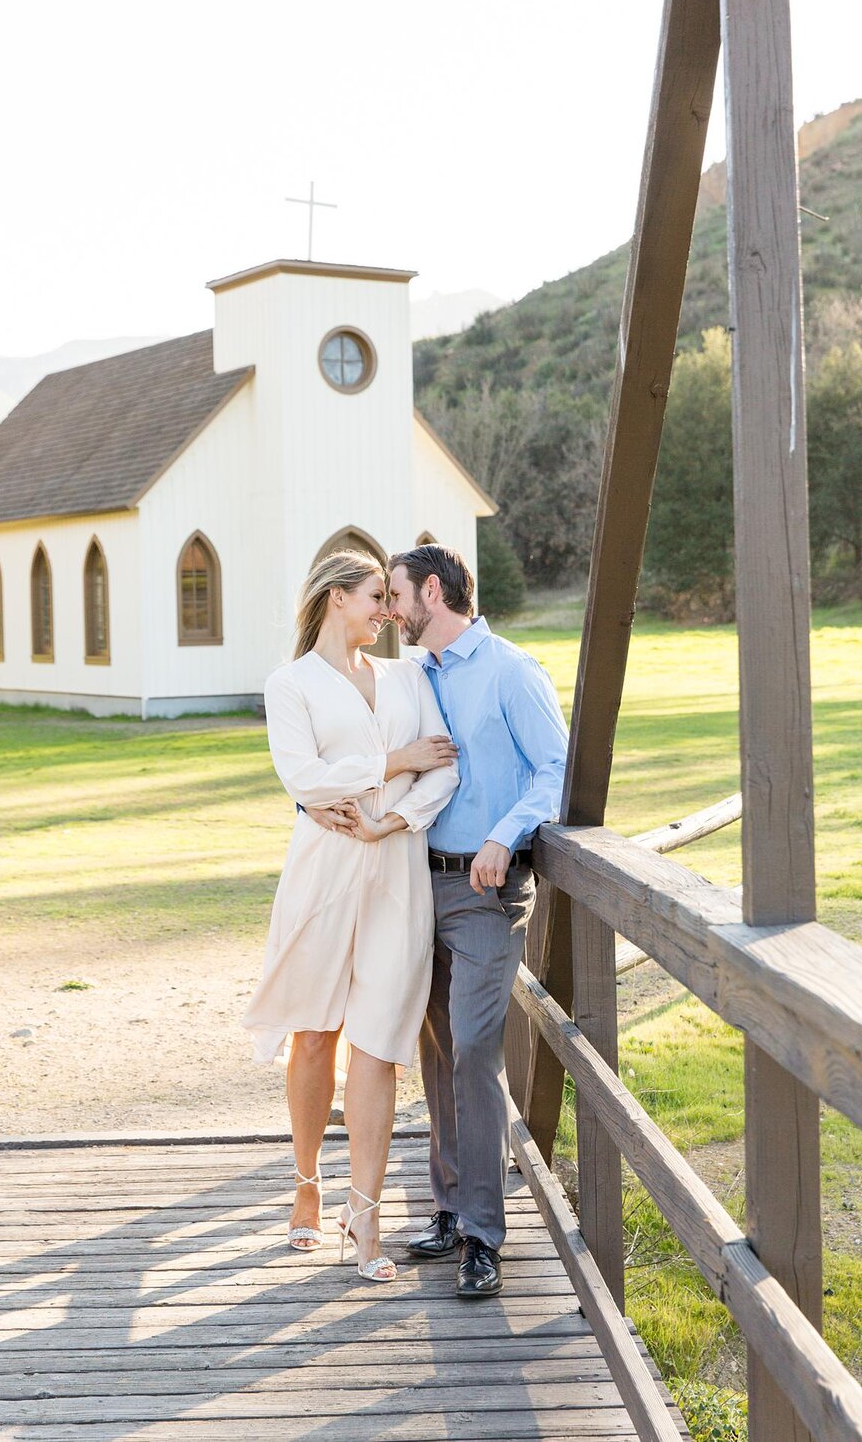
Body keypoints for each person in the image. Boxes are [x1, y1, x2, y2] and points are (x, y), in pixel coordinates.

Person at [242, 549, 459, 1283]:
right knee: (314, 1034)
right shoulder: (291, 684)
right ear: (338, 598)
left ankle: (364, 1217)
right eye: (376, 596)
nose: (387, 611)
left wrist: (390, 820)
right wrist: (395, 759)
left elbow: (446, 766)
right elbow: (304, 778)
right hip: (325, 871)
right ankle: (307, 1184)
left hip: (395, 868)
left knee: (378, 1043)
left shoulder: (408, 677)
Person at [386, 543, 568, 1299]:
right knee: (434, 1057)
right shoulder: (414, 677)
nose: (391, 608)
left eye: (396, 594)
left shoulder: (511, 670)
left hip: (486, 889)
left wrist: (505, 832)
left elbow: (556, 768)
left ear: (433, 591)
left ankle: (485, 1237)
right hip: (414, 886)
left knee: (471, 1052)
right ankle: (452, 1209)